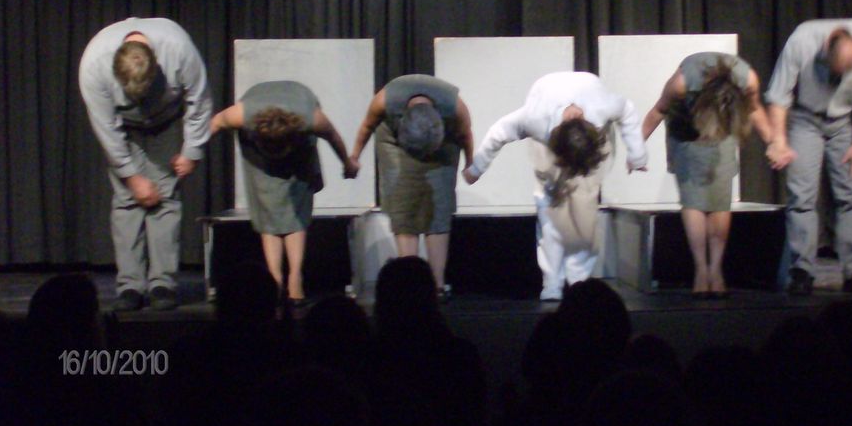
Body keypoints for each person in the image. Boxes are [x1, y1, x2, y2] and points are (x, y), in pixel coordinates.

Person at [463, 72, 648, 301]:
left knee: (584, 215)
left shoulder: (601, 108)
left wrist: (637, 155)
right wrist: (476, 169)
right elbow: (498, 133)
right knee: (550, 215)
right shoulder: (534, 119)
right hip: (548, 118)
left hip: (585, 107)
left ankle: (579, 284)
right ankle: (552, 284)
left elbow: (627, 110)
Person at [79, 17, 212, 311]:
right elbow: (106, 129)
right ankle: (130, 286)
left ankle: (162, 283)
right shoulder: (94, 65)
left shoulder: (179, 51)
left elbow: (199, 103)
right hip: (124, 126)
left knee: (164, 198)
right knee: (128, 201)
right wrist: (131, 176)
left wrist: (192, 151)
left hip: (166, 120)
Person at [210, 80, 357, 306]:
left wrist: (347, 163)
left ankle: (295, 276)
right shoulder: (242, 116)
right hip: (257, 153)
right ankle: (275, 278)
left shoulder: (311, 119)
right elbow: (216, 122)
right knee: (267, 204)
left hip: (298, 146)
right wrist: (191, 154)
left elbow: (334, 137)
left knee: (295, 205)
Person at [765, 19, 852, 296]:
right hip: (805, 119)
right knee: (801, 197)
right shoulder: (802, 41)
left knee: (851, 195)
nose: (840, 76)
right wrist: (779, 141)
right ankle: (802, 271)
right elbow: (778, 95)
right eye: (836, 69)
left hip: (843, 122)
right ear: (825, 51)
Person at [641, 52, 772, 297]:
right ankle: (701, 268)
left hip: (724, 124)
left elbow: (754, 110)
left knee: (720, 195)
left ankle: (716, 269)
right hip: (686, 127)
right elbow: (658, 111)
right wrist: (637, 149)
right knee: (694, 199)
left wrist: (773, 142)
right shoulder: (682, 83)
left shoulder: (747, 79)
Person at [348, 74, 473, 294]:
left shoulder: (455, 107)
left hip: (442, 144)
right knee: (403, 203)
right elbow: (367, 126)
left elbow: (465, 134)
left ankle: (437, 285)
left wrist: (471, 164)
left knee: (438, 205)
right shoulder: (383, 101)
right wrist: (355, 157)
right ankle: (410, 283)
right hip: (395, 144)